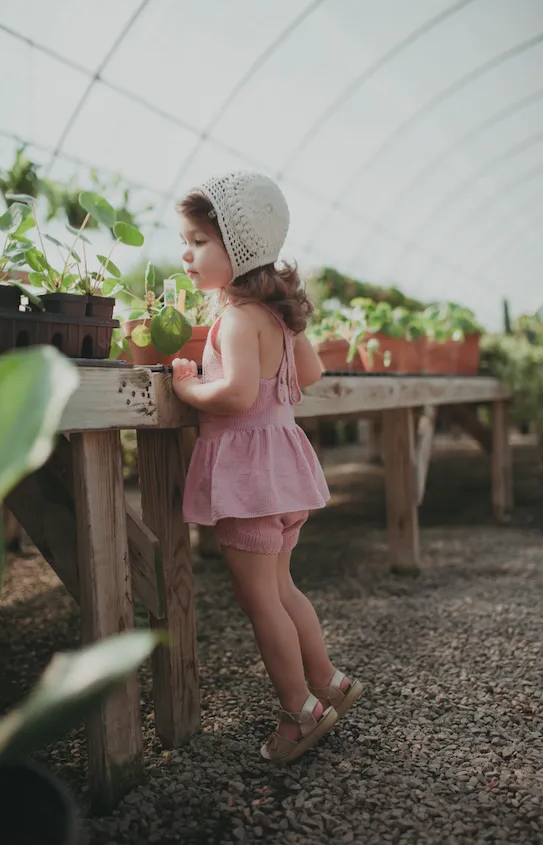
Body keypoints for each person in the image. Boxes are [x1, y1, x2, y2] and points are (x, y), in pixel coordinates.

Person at [171, 170, 363, 764]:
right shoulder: (275, 316)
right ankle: (329, 682)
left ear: (240, 247)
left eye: (199, 241)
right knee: (283, 588)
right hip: (284, 474)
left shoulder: (233, 318)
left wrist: (188, 386)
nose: (186, 253)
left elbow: (230, 397)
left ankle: (299, 711)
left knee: (261, 603)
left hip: (250, 482)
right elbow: (308, 376)